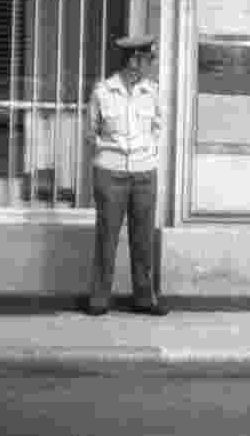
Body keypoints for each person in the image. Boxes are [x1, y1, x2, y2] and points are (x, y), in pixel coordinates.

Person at [83, 34, 168, 317]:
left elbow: (157, 126)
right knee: (106, 237)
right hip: (111, 174)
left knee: (143, 238)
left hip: (144, 173)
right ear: (133, 61)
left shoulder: (152, 92)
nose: (151, 65)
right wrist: (109, 156)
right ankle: (99, 298)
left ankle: (144, 298)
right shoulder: (103, 92)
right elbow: (90, 132)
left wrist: (148, 154)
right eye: (148, 60)